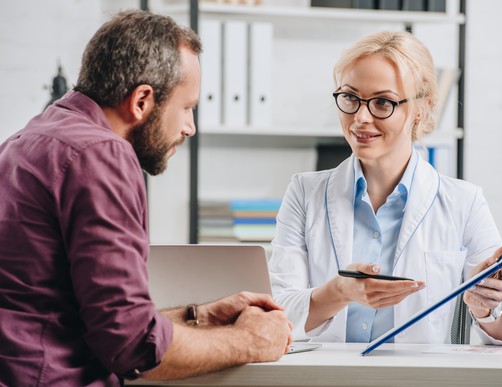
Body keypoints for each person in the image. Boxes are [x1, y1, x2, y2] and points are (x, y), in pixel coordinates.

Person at [0, 10, 292, 386]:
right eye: (187, 108)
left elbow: (82, 321)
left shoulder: (26, 141)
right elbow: (132, 346)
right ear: (141, 101)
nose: (190, 127)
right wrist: (250, 341)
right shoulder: (100, 153)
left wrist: (197, 317)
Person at [268, 30, 502, 345]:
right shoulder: (304, 193)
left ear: (421, 107)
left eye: (382, 102)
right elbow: (276, 317)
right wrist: (339, 292)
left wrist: (486, 310)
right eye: (351, 98)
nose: (361, 118)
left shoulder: (465, 203)